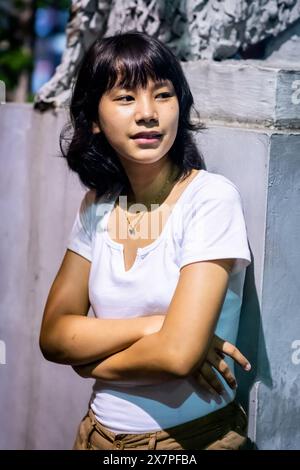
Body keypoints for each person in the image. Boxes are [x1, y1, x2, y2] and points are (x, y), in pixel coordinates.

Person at [39, 31, 252, 451]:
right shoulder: (96, 207)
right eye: (125, 98)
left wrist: (87, 364)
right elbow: (53, 335)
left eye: (163, 95)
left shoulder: (209, 198)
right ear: (95, 120)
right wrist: (155, 325)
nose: (148, 113)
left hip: (189, 444)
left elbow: (177, 356)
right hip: (95, 435)